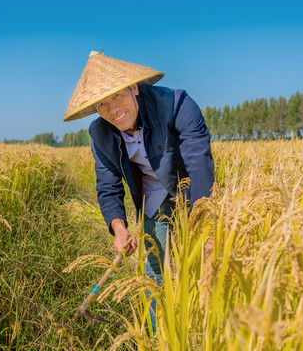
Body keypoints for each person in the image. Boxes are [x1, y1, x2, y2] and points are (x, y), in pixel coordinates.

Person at [63, 51, 214, 329]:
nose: (113, 110)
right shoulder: (100, 134)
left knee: (201, 263)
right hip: (152, 201)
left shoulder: (177, 104)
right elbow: (107, 186)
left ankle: (201, 328)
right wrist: (119, 228)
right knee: (155, 272)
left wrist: (203, 222)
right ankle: (161, 338)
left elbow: (199, 162)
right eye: (102, 104)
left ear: (134, 87)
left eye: (117, 95)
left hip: (189, 190)